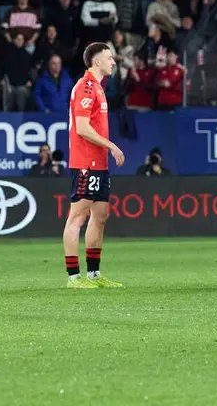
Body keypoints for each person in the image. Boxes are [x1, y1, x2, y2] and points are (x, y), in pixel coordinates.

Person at [63, 42, 126, 289]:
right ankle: (73, 277)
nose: (113, 62)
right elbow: (82, 128)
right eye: (109, 58)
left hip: (98, 162)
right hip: (84, 162)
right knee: (77, 217)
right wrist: (112, 146)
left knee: (100, 216)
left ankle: (94, 275)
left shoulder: (98, 88)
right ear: (97, 62)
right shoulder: (86, 87)